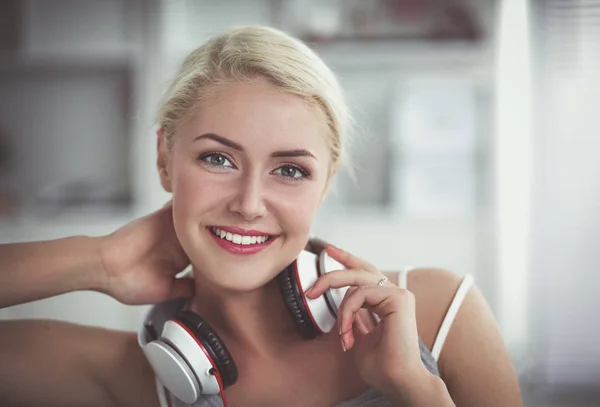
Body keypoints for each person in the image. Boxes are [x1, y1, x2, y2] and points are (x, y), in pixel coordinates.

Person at [0, 25, 523, 407]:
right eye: (218, 159)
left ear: (326, 182)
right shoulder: (129, 376)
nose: (249, 204)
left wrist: (417, 388)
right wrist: (101, 261)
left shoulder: (437, 309)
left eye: (290, 170)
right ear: (164, 158)